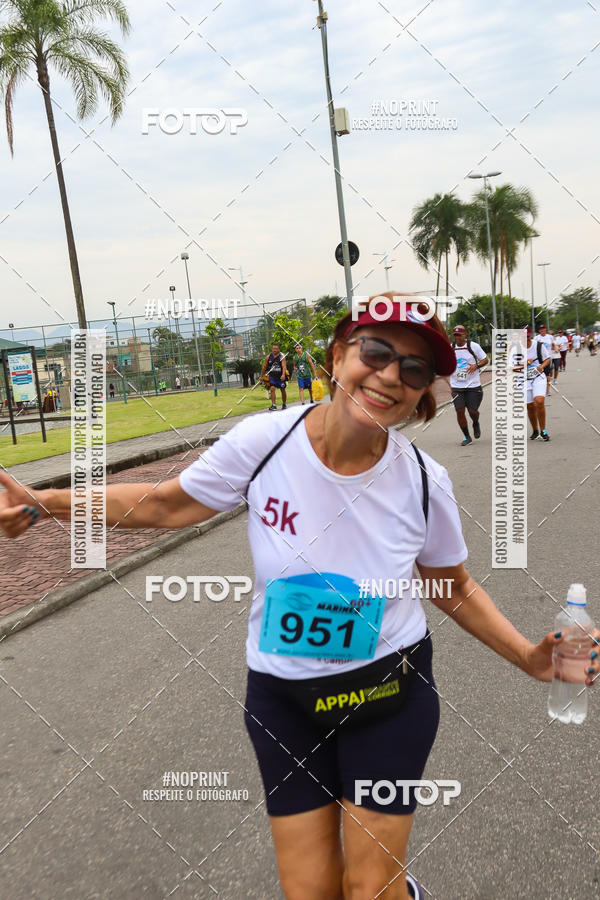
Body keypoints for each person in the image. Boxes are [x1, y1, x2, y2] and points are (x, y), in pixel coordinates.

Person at [3, 293, 597, 900]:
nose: (391, 375)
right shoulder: (263, 442)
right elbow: (165, 503)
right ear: (338, 356)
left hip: (388, 697)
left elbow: (450, 585)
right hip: (283, 703)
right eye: (376, 351)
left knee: (368, 890)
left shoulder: (423, 480)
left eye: (414, 370)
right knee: (310, 892)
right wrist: (43, 502)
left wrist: (527, 656)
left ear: (422, 395)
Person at [449, 325, 488, 446]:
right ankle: (467, 436)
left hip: (473, 385)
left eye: (459, 335)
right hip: (456, 386)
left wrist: (476, 365)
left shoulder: (473, 346)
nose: (457, 338)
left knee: (472, 411)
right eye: (455, 335)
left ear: (464, 335)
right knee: (460, 411)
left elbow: (485, 360)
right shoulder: (450, 348)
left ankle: (475, 422)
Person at [517, 324, 551, 441]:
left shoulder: (538, 346)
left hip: (538, 377)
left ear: (530, 336)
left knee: (539, 401)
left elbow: (547, 359)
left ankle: (543, 430)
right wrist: (524, 364)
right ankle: (535, 430)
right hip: (523, 379)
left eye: (527, 336)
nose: (525, 339)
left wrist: (541, 366)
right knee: (530, 406)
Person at [260, 344, 288, 411]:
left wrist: (283, 375)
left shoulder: (281, 357)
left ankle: (284, 404)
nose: (274, 350)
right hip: (272, 376)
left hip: (280, 376)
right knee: (272, 389)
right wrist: (261, 376)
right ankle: (274, 405)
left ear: (278, 349)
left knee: (282, 389)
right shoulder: (268, 357)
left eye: (276, 349)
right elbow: (264, 367)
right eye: (273, 349)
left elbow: (284, 367)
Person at [535, 324, 553, 395]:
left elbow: (553, 344)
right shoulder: (536, 338)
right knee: (539, 375)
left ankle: (547, 390)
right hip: (539, 359)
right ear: (539, 330)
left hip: (547, 358)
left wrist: (556, 349)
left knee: (547, 374)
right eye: (541, 329)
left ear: (545, 329)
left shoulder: (550, 337)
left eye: (543, 329)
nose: (542, 330)